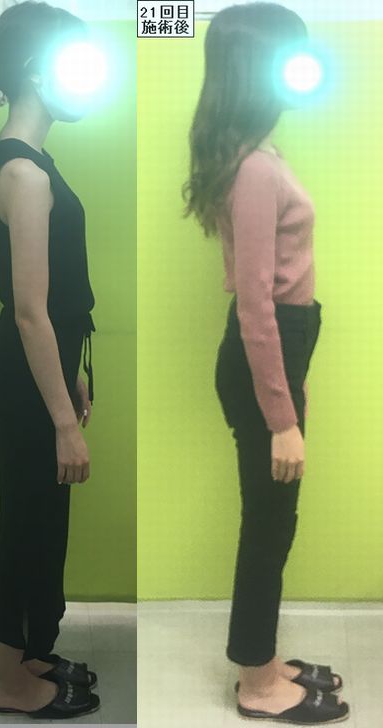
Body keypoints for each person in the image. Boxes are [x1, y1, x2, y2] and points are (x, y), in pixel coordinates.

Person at [183, 3, 349, 725]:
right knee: (269, 523)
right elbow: (256, 305)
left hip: (279, 350)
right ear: (259, 69)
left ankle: (263, 658)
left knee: (275, 519)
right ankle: (256, 683)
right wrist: (282, 418)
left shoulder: (258, 153)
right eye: (289, 56)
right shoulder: (253, 168)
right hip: (264, 353)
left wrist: (294, 383)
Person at [0, 2, 99, 720]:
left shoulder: (25, 162)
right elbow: (30, 309)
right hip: (26, 373)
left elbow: (48, 302)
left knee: (44, 518)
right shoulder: (24, 174)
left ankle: (31, 652)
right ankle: (7, 680)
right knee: (29, 520)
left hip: (42, 366)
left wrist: (73, 372)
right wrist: (63, 421)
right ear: (38, 71)